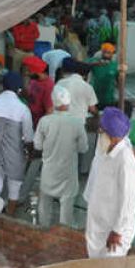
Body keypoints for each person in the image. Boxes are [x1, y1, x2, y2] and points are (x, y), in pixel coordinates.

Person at [83, 107, 135, 258]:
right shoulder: (103, 148)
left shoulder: (125, 160)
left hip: (114, 233)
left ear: (114, 137)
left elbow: (129, 199)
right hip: (98, 226)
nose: (99, 134)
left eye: (102, 131)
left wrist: (117, 230)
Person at [33, 86, 88, 227]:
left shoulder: (44, 121)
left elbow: (37, 146)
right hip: (67, 173)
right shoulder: (77, 123)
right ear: (69, 103)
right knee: (66, 211)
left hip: (49, 172)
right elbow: (84, 148)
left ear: (53, 102)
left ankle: (43, 231)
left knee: (44, 206)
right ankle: (64, 235)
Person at [0, 71, 34, 215]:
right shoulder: (23, 109)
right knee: (14, 191)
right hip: (14, 155)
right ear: (19, 88)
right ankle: (9, 219)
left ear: (2, 86)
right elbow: (29, 138)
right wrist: (30, 154)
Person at [23, 56, 54, 128]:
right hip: (30, 119)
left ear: (37, 72)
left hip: (39, 123)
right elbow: (28, 95)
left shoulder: (48, 86)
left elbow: (49, 110)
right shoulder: (34, 80)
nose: (27, 73)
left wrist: (40, 128)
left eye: (29, 71)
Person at [88, 43, 118, 109]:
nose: (107, 54)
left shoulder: (115, 65)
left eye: (109, 52)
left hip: (109, 99)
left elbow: (119, 82)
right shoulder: (94, 62)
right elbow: (83, 65)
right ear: (101, 52)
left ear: (112, 54)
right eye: (105, 52)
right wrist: (97, 63)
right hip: (95, 98)